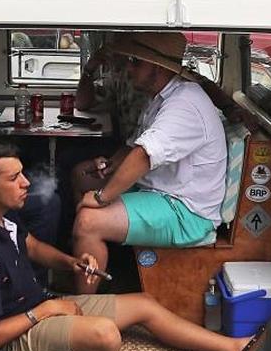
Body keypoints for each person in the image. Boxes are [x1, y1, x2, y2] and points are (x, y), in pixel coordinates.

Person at [0, 140, 271, 351]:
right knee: (105, 336)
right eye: (14, 178)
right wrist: (48, 310)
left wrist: (73, 262)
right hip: (12, 346)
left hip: (37, 309)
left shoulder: (1, 219)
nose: (26, 182)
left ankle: (235, 348)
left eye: (23, 173)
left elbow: (33, 247)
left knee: (145, 304)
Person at [71, 32, 227, 294]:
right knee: (81, 176)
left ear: (156, 67)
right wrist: (109, 165)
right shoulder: (163, 97)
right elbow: (133, 145)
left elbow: (144, 155)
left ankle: (82, 307)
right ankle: (88, 253)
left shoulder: (185, 104)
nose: (128, 68)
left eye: (135, 62)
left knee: (88, 220)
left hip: (186, 212)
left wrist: (101, 197)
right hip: (161, 192)